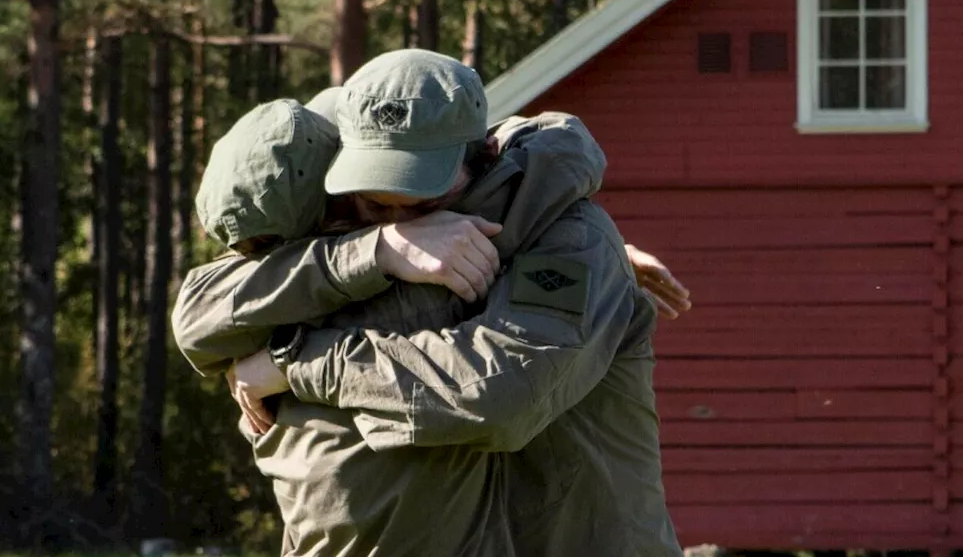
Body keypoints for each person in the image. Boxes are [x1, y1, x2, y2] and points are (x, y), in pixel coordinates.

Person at [174, 49, 687, 555]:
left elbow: (500, 395)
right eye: (376, 200)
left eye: (424, 201)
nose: (401, 222)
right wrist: (371, 252)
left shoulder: (571, 238)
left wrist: (298, 361)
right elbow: (200, 313)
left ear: (484, 156)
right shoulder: (347, 234)